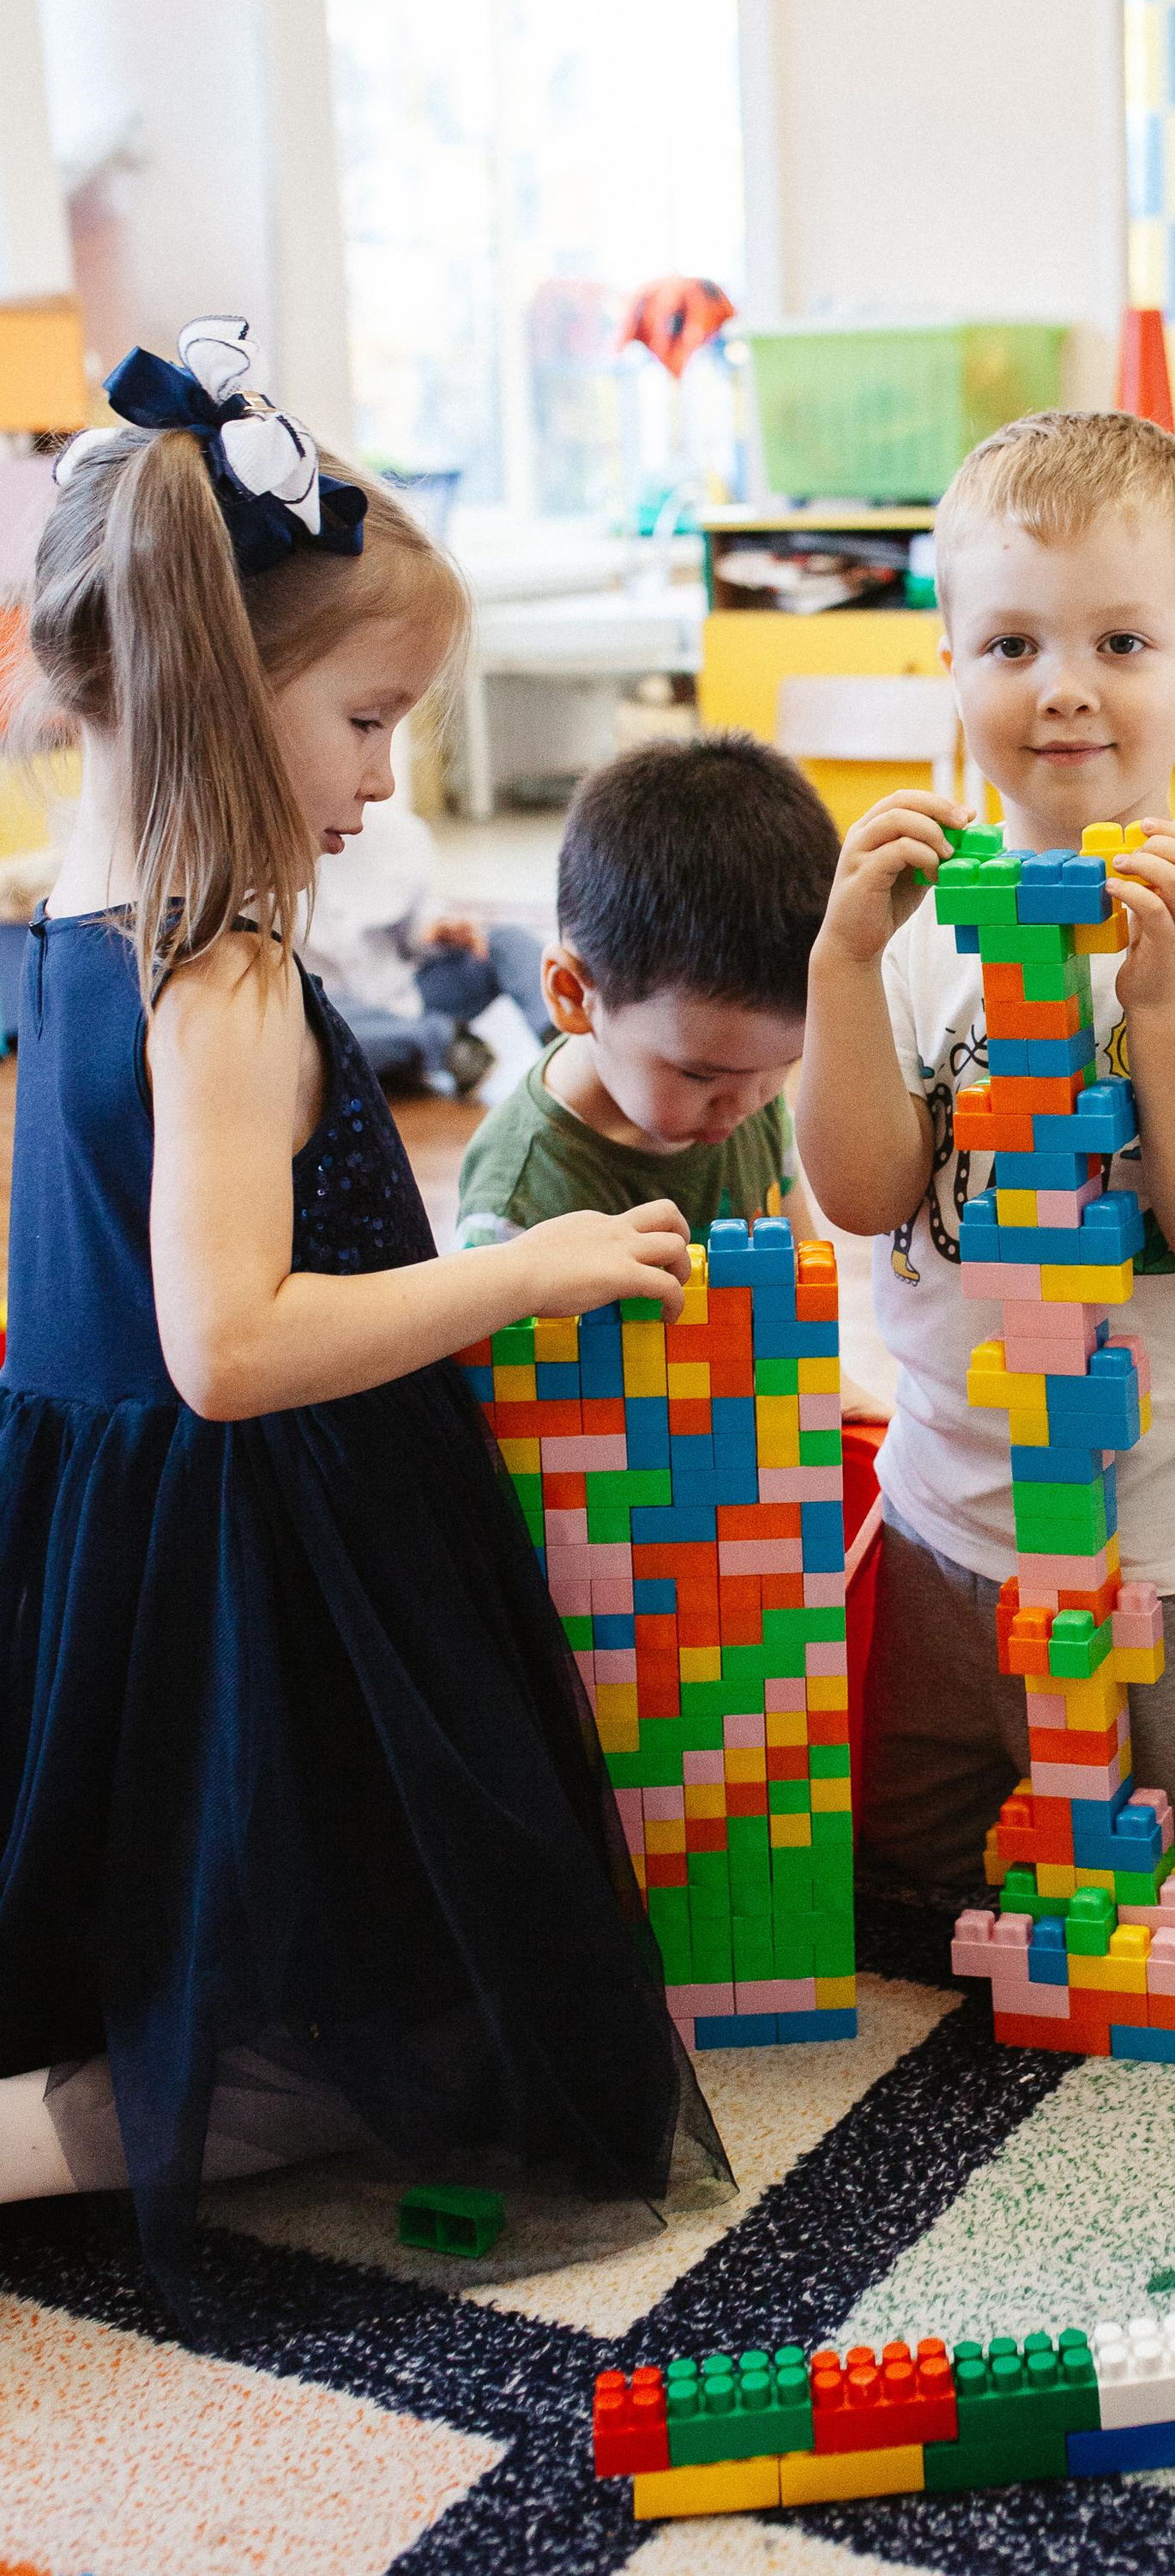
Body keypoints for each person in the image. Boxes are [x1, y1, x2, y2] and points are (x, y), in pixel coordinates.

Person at [0, 320, 722, 2309]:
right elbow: (226, 1344)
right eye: (367, 720)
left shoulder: (79, 900)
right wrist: (518, 1267)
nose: (389, 778)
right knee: (447, 2035)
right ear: (222, 692)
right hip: (254, 1564)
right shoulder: (221, 974)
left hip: (105, 1539)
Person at [798, 408, 1175, 1952]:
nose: (1062, 686)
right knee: (916, 1894)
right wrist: (843, 963)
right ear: (949, 661)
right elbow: (864, 1196)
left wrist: (1164, 1006)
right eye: (1009, 643)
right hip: (957, 1514)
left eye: (1119, 639)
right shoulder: (917, 923)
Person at [454, 735, 852, 1279]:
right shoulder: (519, 1204)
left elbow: (802, 1305)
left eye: (784, 1064)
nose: (746, 1103)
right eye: (697, 1074)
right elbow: (498, 1365)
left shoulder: (748, 1095)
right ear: (573, 995)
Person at [306, 792, 549, 1095]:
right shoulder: (257, 846)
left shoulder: (402, 834)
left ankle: (565, 1043)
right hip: (329, 1017)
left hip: (406, 995)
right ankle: (437, 1043)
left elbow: (415, 927)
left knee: (508, 942)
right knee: (307, 1031)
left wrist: (438, 931)